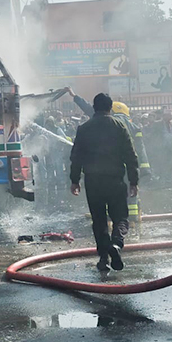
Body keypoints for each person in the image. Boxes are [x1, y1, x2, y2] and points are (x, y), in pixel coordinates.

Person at [70, 93, 139, 273]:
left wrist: (74, 180)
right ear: (110, 108)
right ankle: (116, 243)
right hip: (115, 180)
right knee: (121, 217)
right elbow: (131, 156)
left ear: (94, 107)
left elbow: (76, 157)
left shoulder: (84, 128)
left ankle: (103, 258)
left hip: (93, 182)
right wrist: (134, 181)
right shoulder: (120, 126)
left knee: (99, 220)